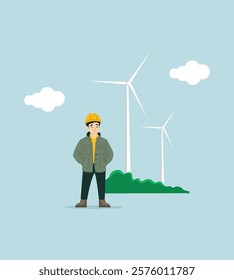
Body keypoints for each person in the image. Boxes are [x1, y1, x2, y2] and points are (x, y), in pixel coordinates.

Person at [73, 113, 113, 207]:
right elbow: (76, 154)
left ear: (99, 127)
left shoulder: (104, 141)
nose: (94, 128)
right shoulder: (82, 141)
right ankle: (83, 201)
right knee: (85, 184)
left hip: (100, 167)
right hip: (87, 167)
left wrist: (104, 162)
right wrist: (83, 162)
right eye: (91, 125)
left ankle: (102, 201)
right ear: (87, 127)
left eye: (97, 125)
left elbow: (110, 154)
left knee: (101, 184)